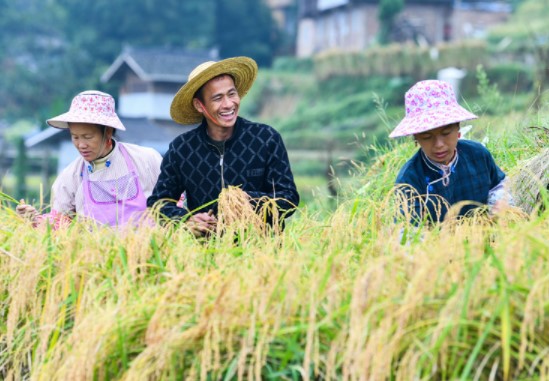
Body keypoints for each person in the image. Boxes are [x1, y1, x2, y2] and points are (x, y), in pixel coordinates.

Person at [147, 57, 299, 236]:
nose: (228, 104)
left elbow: (289, 198)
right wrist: (187, 219)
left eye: (232, 94)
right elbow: (158, 202)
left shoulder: (266, 139)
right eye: (218, 98)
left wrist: (246, 201)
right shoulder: (182, 149)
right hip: (206, 254)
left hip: (261, 252)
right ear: (199, 105)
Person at [16, 90, 162, 227]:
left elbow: (171, 204)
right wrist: (35, 219)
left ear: (108, 132)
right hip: (94, 253)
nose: (81, 145)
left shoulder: (146, 159)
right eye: (75, 137)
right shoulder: (71, 176)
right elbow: (59, 223)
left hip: (147, 250)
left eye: (88, 137)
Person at [389, 79, 512, 225]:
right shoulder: (409, 179)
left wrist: (499, 203)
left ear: (458, 129)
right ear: (416, 139)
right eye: (427, 137)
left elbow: (499, 185)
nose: (439, 145)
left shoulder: (477, 155)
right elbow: (407, 231)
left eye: (446, 133)